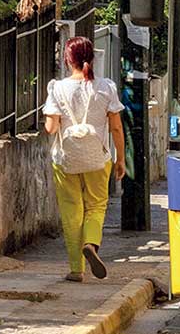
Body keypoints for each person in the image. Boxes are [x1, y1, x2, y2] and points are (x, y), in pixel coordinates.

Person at [42, 36, 126, 283]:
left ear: (68, 60)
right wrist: (121, 159)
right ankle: (91, 243)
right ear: (92, 58)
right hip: (98, 158)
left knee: (72, 212)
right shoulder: (106, 87)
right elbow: (116, 127)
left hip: (65, 159)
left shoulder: (57, 88)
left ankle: (76, 269)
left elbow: (51, 129)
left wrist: (51, 116)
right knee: (96, 206)